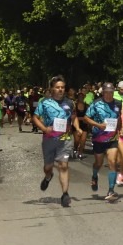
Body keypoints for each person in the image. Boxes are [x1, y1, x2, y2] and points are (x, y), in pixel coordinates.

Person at [32, 76, 75, 207]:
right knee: (48, 167)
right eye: (57, 87)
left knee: (63, 165)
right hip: (49, 139)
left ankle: (65, 194)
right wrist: (45, 128)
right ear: (52, 89)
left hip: (66, 139)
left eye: (62, 87)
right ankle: (48, 176)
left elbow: (74, 117)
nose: (61, 89)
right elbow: (35, 117)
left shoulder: (70, 103)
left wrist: (76, 127)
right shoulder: (45, 102)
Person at [84, 82, 122, 202]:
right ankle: (95, 176)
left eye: (111, 92)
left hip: (112, 138)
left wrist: (119, 129)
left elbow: (118, 117)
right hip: (99, 138)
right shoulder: (96, 104)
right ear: (103, 92)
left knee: (112, 162)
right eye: (107, 92)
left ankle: (111, 190)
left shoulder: (117, 103)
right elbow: (86, 117)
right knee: (98, 163)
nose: (109, 94)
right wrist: (98, 125)